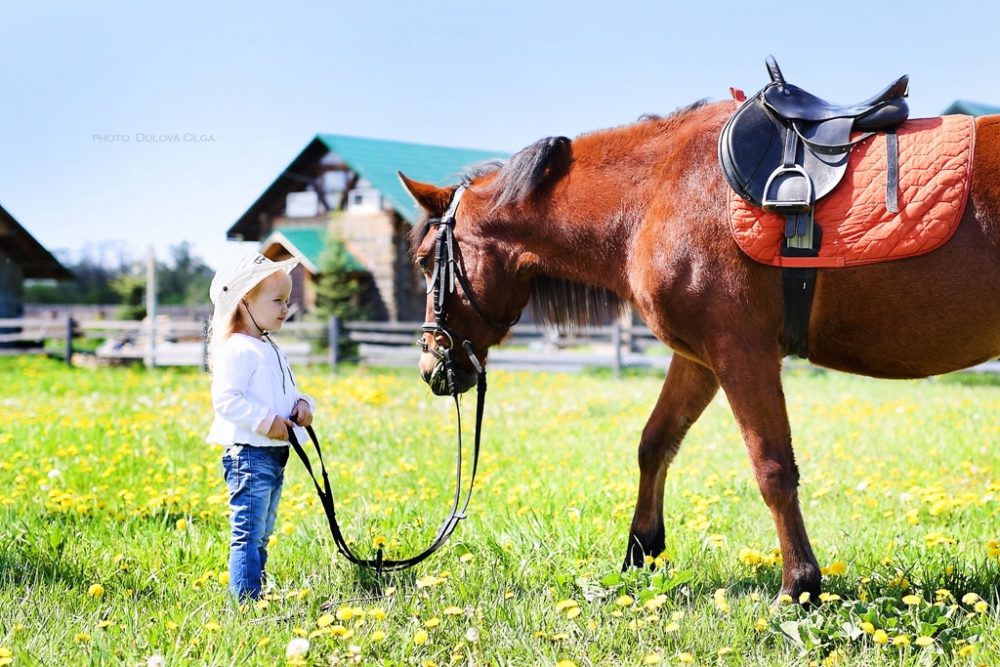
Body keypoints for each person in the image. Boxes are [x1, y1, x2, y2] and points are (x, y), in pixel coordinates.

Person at [206, 251, 315, 600]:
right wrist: (267, 422)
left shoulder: (268, 347)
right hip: (249, 455)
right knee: (248, 532)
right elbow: (226, 400)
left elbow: (286, 391)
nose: (286, 308)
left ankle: (255, 589)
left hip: (273, 455)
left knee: (261, 531)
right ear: (245, 303)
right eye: (278, 301)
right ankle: (246, 600)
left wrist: (303, 405)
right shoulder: (238, 349)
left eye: (287, 300)